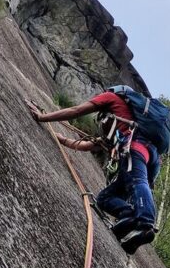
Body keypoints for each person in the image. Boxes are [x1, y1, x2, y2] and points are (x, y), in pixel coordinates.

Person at [27, 89, 161, 254]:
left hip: (137, 148)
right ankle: (129, 220)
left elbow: (75, 111)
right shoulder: (120, 125)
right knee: (105, 199)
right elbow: (89, 145)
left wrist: (42, 117)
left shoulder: (111, 98)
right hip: (151, 157)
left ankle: (145, 222)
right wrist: (61, 139)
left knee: (137, 181)